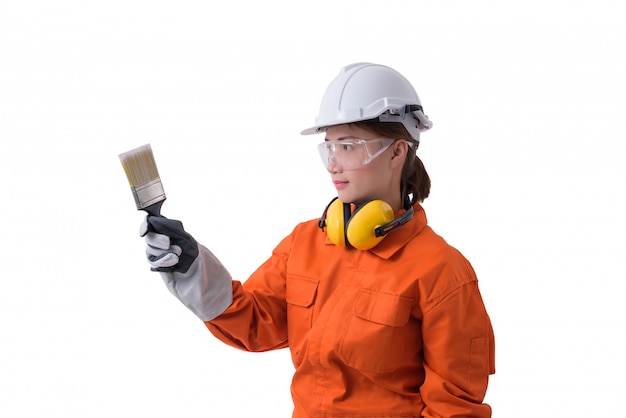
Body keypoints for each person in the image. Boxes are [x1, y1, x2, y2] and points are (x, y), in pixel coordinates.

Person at [140, 62, 496, 417]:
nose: (332, 165)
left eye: (348, 146)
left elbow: (455, 408)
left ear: (397, 151)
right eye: (329, 148)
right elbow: (253, 321)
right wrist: (193, 272)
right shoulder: (305, 243)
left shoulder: (443, 272)